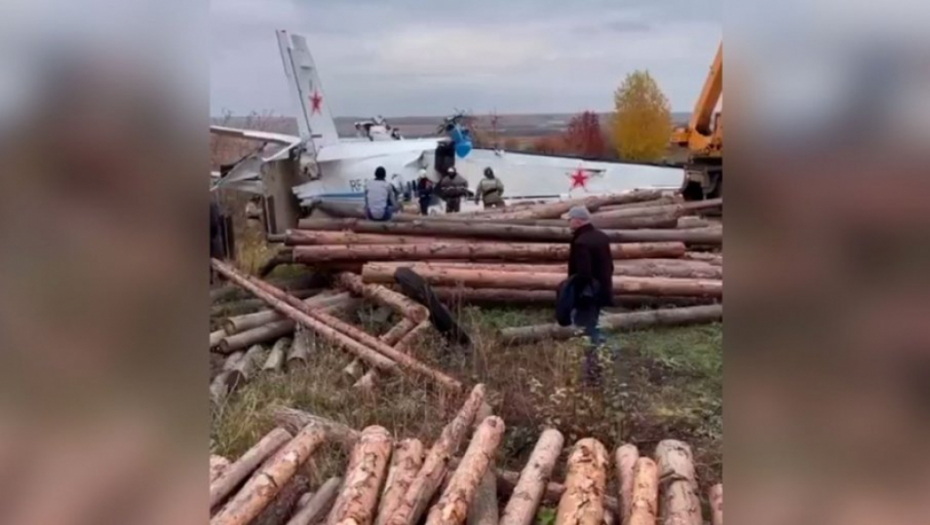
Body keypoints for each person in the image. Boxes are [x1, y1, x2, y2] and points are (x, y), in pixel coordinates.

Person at [565, 205, 614, 384]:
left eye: (570, 219)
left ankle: (593, 373)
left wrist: (574, 292)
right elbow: (610, 267)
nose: (568, 222)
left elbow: (583, 274)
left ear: (578, 221)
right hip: (602, 290)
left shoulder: (581, 242)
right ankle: (601, 361)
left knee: (587, 330)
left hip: (587, 295)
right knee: (595, 325)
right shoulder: (601, 237)